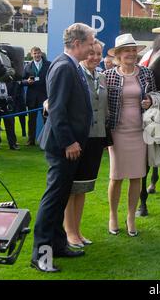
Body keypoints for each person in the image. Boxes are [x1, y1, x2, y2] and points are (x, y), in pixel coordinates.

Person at [31, 23, 96, 273]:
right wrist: (69, 141)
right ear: (77, 43)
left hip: (68, 146)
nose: (92, 49)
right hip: (62, 147)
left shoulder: (70, 66)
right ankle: (41, 255)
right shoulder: (63, 67)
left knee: (59, 201)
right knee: (53, 201)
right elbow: (57, 109)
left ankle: (58, 246)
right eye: (90, 43)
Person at [106, 34, 156, 237]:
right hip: (117, 133)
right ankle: (113, 216)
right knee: (116, 177)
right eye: (127, 50)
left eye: (134, 50)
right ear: (118, 54)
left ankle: (130, 217)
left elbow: (155, 95)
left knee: (137, 176)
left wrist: (150, 101)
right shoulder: (108, 75)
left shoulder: (146, 73)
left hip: (139, 132)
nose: (131, 54)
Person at [63, 39, 108, 248]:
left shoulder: (101, 76)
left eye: (99, 54)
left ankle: (77, 230)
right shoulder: (74, 73)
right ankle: (69, 232)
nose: (95, 57)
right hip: (78, 139)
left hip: (96, 138)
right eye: (92, 53)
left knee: (82, 187)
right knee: (70, 188)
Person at [22, 47, 51, 146]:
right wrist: (27, 82)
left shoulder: (48, 65)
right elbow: (22, 80)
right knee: (31, 120)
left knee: (46, 119)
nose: (37, 55)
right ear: (31, 55)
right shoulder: (28, 66)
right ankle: (31, 140)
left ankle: (47, 140)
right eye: (35, 53)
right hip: (32, 97)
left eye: (38, 53)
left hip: (44, 97)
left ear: (41, 54)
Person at [0, 80, 19, 150]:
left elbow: (15, 93)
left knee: (10, 123)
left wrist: (11, 102)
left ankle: (12, 144)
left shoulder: (11, 81)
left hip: (6, 102)